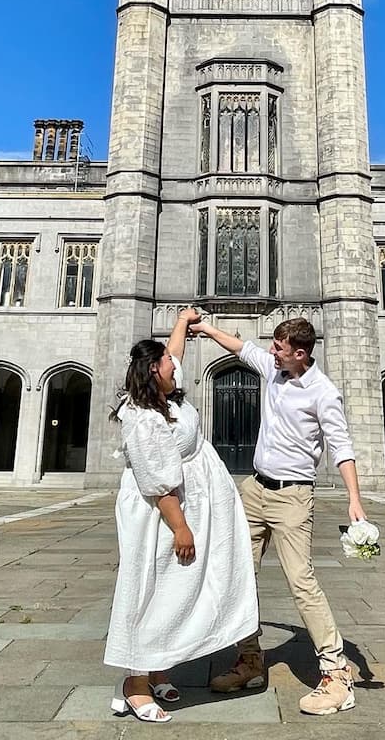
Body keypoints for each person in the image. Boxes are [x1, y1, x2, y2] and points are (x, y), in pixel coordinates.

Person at [190, 312, 367, 716]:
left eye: (279, 348)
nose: (271, 352)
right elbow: (241, 347)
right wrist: (207, 329)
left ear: (299, 353)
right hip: (255, 489)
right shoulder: (273, 371)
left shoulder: (323, 392)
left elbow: (342, 446)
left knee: (301, 581)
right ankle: (250, 660)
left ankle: (338, 674)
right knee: (239, 573)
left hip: (292, 496)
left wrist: (354, 499)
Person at [104, 309, 259, 723]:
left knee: (181, 589)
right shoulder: (143, 418)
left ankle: (158, 670)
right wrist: (181, 526)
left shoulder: (167, 395)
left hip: (193, 501)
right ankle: (134, 684)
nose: (177, 363)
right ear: (154, 371)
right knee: (152, 590)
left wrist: (183, 322)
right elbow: (157, 482)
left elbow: (173, 351)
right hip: (164, 513)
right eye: (169, 363)